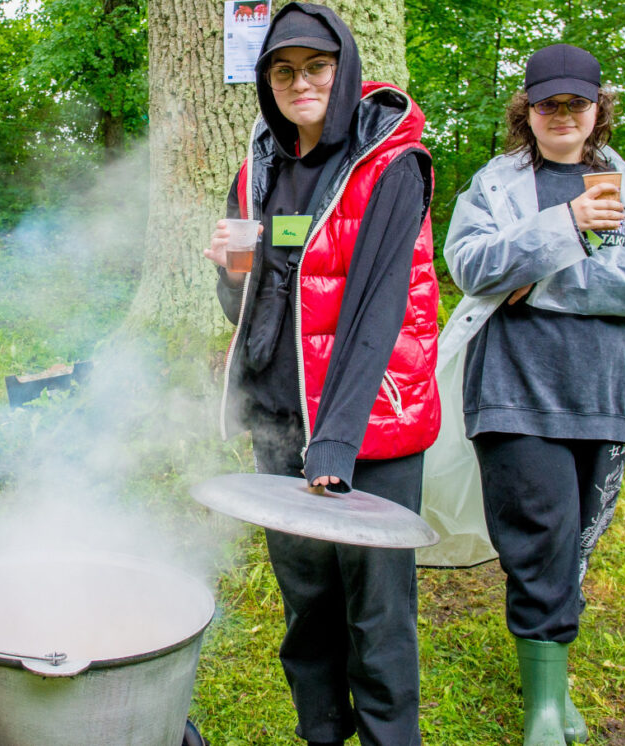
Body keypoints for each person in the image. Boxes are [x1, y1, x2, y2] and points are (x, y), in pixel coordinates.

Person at [204, 4, 439, 744]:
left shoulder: (391, 165)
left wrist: (335, 443)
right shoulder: (260, 169)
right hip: (280, 419)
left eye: (316, 67)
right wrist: (232, 269)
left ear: (345, 71)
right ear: (265, 83)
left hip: (368, 424)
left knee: (377, 615)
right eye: (283, 71)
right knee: (307, 606)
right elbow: (246, 309)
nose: (300, 82)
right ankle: (323, 735)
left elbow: (378, 308)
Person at [440, 44, 625, 745]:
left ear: (598, 108)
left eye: (577, 102)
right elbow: (471, 264)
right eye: (549, 103)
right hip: (512, 385)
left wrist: (537, 279)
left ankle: (552, 679)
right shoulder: (495, 183)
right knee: (539, 535)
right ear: (529, 110)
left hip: (603, 391)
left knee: (575, 540)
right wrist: (565, 225)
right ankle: (543, 710)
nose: (563, 114)